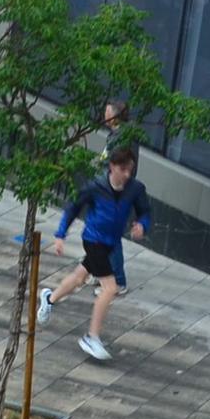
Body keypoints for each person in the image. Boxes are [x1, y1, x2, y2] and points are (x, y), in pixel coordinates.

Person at [37, 146, 152, 361]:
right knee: (110, 288)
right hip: (93, 239)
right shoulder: (95, 187)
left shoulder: (135, 189)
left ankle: (49, 298)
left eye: (130, 170)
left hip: (111, 242)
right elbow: (73, 208)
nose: (127, 174)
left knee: (80, 277)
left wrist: (142, 226)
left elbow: (145, 211)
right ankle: (92, 336)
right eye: (123, 169)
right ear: (112, 167)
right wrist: (60, 234)